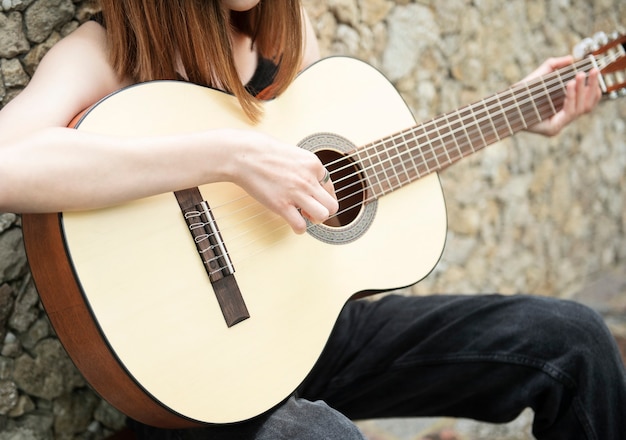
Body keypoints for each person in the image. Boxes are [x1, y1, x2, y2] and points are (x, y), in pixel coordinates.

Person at [0, 1, 624, 439]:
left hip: (310, 329)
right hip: (199, 380)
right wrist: (228, 157)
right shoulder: (108, 50)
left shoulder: (285, 31)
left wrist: (519, 109)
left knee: (572, 339)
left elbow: (330, 187)